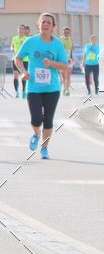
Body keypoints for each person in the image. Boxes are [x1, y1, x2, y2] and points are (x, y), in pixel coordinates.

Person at [14, 13, 68, 159]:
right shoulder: (30, 41)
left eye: (48, 23)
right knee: (36, 119)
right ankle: (37, 134)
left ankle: (44, 147)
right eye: (43, 22)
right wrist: (24, 72)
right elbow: (18, 58)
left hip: (52, 88)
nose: (45, 24)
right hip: (33, 88)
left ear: (53, 27)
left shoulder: (57, 44)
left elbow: (64, 66)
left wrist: (51, 63)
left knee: (48, 120)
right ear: (38, 24)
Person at [11, 23, 28, 98]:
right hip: (15, 59)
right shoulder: (14, 38)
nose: (20, 30)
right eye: (19, 29)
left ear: (24, 31)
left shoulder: (26, 39)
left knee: (24, 75)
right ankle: (16, 92)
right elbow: (12, 46)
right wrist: (12, 48)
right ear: (17, 30)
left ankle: (24, 91)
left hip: (24, 60)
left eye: (22, 29)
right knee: (15, 75)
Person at [59, 26, 74, 96]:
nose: (66, 33)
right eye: (65, 32)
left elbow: (71, 50)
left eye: (68, 32)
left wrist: (71, 58)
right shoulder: (60, 40)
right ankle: (61, 89)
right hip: (61, 60)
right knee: (62, 77)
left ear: (69, 33)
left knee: (68, 76)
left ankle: (66, 90)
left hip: (68, 60)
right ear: (63, 32)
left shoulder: (71, 40)